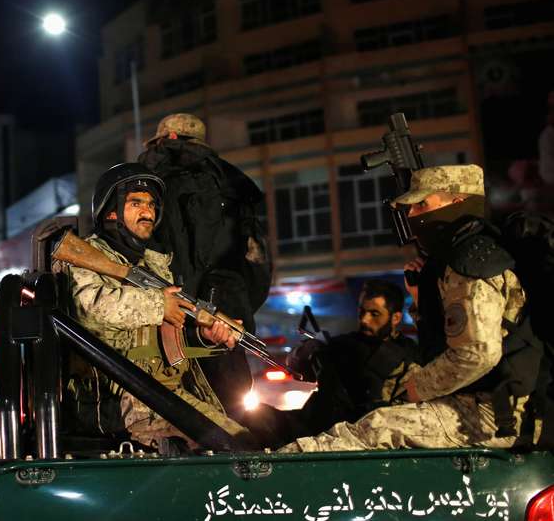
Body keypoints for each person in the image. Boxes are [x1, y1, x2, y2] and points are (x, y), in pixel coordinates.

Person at [279, 164, 539, 452]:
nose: (412, 217)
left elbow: (476, 353)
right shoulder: (469, 255)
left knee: (374, 429)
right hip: (490, 404)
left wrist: (417, 387)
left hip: (495, 414)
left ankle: (270, 477)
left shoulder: (470, 262)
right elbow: (452, 338)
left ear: (457, 202)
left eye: (421, 205)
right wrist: (420, 299)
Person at [58, 163, 252, 450]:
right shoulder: (85, 258)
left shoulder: (153, 264)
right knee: (230, 451)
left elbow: (164, 334)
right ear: (111, 211)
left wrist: (204, 335)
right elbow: (91, 306)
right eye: (136, 203)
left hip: (163, 394)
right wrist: (159, 303)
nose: (148, 212)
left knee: (244, 442)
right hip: (121, 403)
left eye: (151, 204)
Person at [139, 113, 271, 420]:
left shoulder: (143, 177)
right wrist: (235, 308)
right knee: (232, 423)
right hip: (222, 321)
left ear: (166, 138)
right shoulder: (236, 184)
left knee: (165, 420)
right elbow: (258, 263)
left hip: (159, 321)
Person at [284, 280, 421, 438]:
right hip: (324, 433)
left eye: (374, 314)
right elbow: (296, 365)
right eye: (362, 312)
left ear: (395, 318)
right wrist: (311, 349)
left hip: (375, 436)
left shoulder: (409, 354)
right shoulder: (343, 345)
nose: (364, 320)